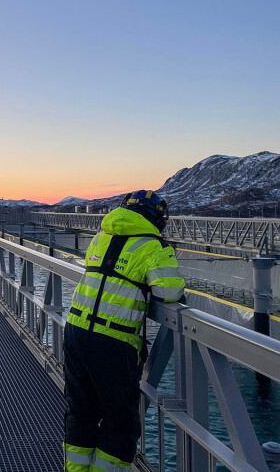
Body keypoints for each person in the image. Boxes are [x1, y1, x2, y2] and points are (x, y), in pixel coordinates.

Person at [63, 190, 186, 471]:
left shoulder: (102, 235)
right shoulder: (154, 246)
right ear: (156, 216)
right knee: (120, 422)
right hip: (113, 341)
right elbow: (168, 291)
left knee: (81, 412)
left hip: (76, 330)